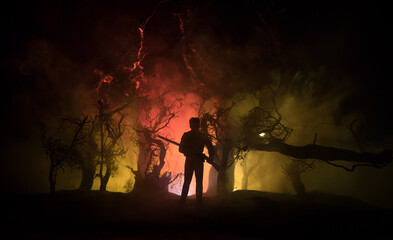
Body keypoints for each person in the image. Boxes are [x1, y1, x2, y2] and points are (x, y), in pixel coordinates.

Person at [178, 117, 214, 208]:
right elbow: (181, 149)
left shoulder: (187, 135)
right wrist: (210, 158)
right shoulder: (200, 136)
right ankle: (193, 202)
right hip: (194, 160)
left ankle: (186, 202)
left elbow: (181, 149)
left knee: (192, 181)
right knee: (193, 181)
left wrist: (210, 158)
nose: (192, 125)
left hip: (193, 159)